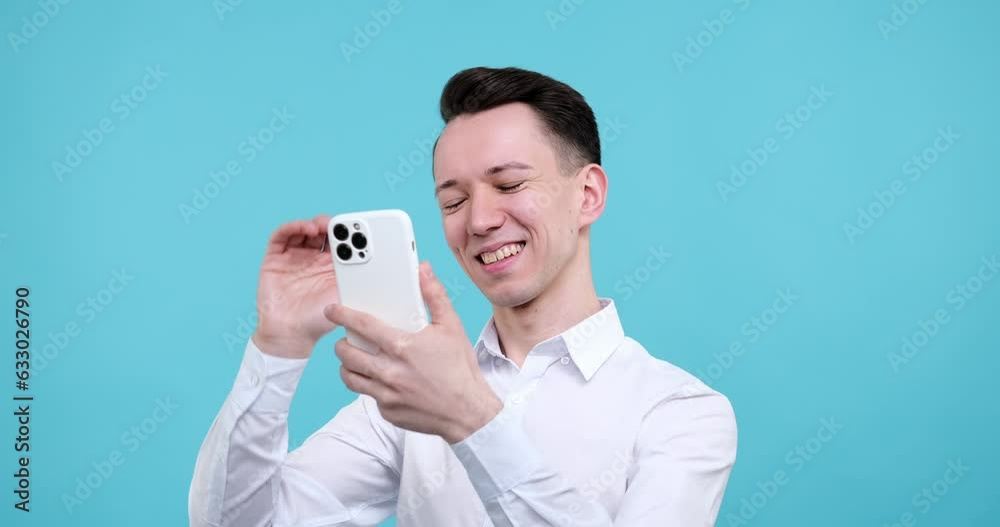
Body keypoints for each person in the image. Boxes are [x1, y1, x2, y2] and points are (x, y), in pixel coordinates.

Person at [188, 66, 738, 526]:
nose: (478, 220)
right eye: (452, 202)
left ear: (588, 195)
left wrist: (470, 420)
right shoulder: (407, 401)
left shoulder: (681, 413)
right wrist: (276, 345)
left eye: (509, 185)